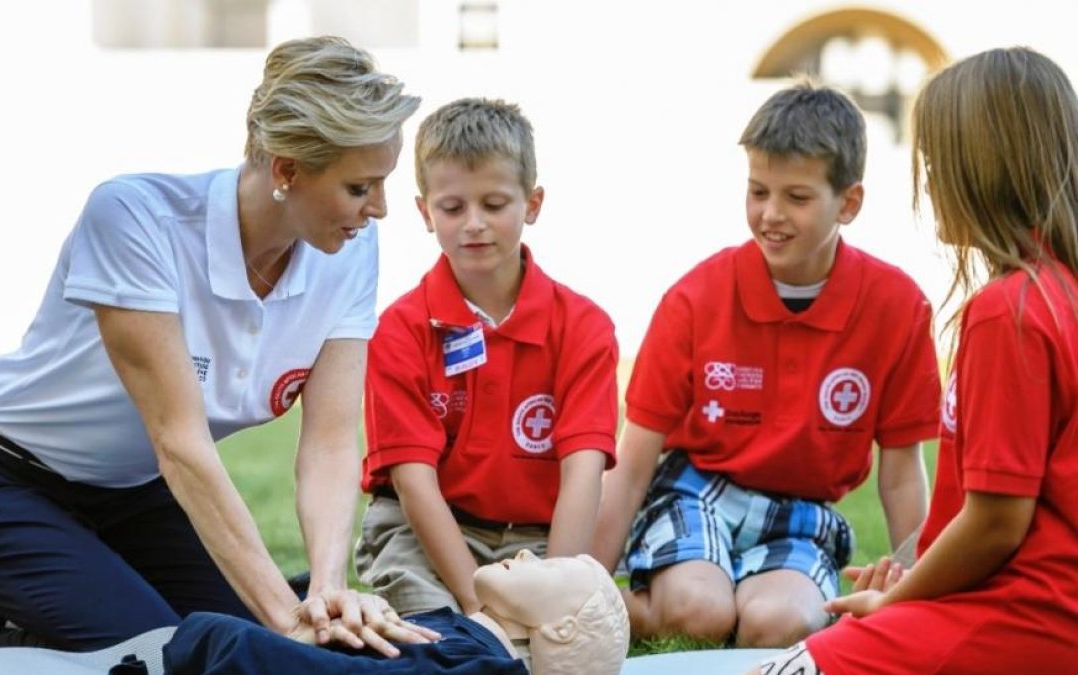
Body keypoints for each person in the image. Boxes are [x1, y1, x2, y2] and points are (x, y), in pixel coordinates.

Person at [0, 35, 436, 655]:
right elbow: (179, 444)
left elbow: (331, 442)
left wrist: (325, 587)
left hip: (134, 498)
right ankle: (7, 617)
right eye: (360, 188)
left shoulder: (349, 247)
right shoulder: (134, 217)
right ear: (287, 171)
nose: (382, 209)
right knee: (171, 650)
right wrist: (287, 622)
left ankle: (56, 581)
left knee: (267, 627)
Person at [750, 45, 1078, 675]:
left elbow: (997, 523)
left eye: (933, 163)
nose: (927, 183)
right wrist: (915, 575)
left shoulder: (1010, 311)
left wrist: (896, 601)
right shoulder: (1058, 293)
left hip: (1023, 619)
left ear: (980, 171)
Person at [592, 80, 943, 647]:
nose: (770, 214)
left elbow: (902, 474)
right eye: (758, 191)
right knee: (698, 611)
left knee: (782, 624)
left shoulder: (897, 307)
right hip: (695, 489)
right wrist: (586, 586)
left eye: (797, 198)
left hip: (802, 511)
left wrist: (918, 591)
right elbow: (632, 463)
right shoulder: (695, 298)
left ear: (848, 203)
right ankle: (639, 603)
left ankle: (740, 599)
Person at [353, 97, 620, 616]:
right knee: (449, 639)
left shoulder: (585, 326)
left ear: (533, 204)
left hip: (539, 539)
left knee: (564, 640)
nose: (474, 223)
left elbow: (583, 474)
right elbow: (413, 483)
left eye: (494, 205)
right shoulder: (399, 331)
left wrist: (550, 597)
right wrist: (477, 607)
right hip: (424, 533)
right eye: (453, 208)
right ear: (425, 212)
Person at [162, 550, 630, 675]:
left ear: (562, 630)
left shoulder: (469, 663)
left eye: (548, 566)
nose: (528, 554)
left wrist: (212, 636)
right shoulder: (458, 637)